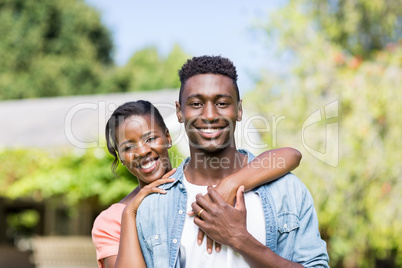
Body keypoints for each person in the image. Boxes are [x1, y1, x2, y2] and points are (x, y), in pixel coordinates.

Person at [135, 55, 329, 267]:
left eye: (222, 103)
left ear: (239, 110)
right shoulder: (154, 206)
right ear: (180, 112)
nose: (209, 115)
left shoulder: (287, 190)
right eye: (197, 103)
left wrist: (240, 239)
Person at [92, 100, 303, 268]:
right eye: (128, 147)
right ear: (119, 156)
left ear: (167, 137)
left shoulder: (199, 184)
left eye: (150, 139)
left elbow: (290, 155)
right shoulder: (111, 221)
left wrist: (232, 183)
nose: (142, 151)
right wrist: (130, 214)